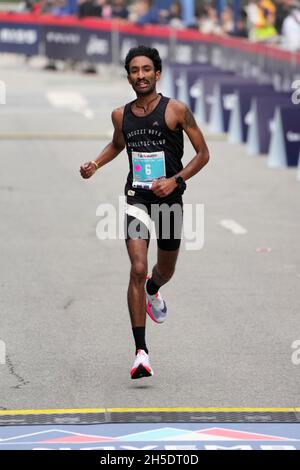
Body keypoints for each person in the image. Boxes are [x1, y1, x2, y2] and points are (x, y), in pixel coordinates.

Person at [80, 46, 209, 379]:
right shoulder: (121, 115)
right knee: (136, 267)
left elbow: (203, 154)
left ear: (157, 74)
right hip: (136, 197)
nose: (140, 75)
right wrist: (95, 163)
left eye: (146, 70)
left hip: (169, 201)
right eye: (134, 71)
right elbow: (117, 144)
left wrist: (175, 180)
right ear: (128, 77)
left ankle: (154, 289)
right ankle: (141, 352)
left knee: (163, 270)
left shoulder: (176, 110)